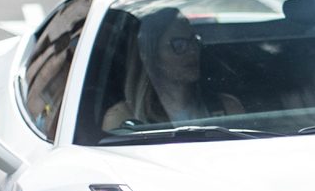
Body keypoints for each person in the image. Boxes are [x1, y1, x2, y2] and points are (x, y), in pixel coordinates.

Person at [101, 9, 243, 129]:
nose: (192, 51)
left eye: (194, 41)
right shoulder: (123, 118)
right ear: (151, 55)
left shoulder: (227, 108)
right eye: (179, 45)